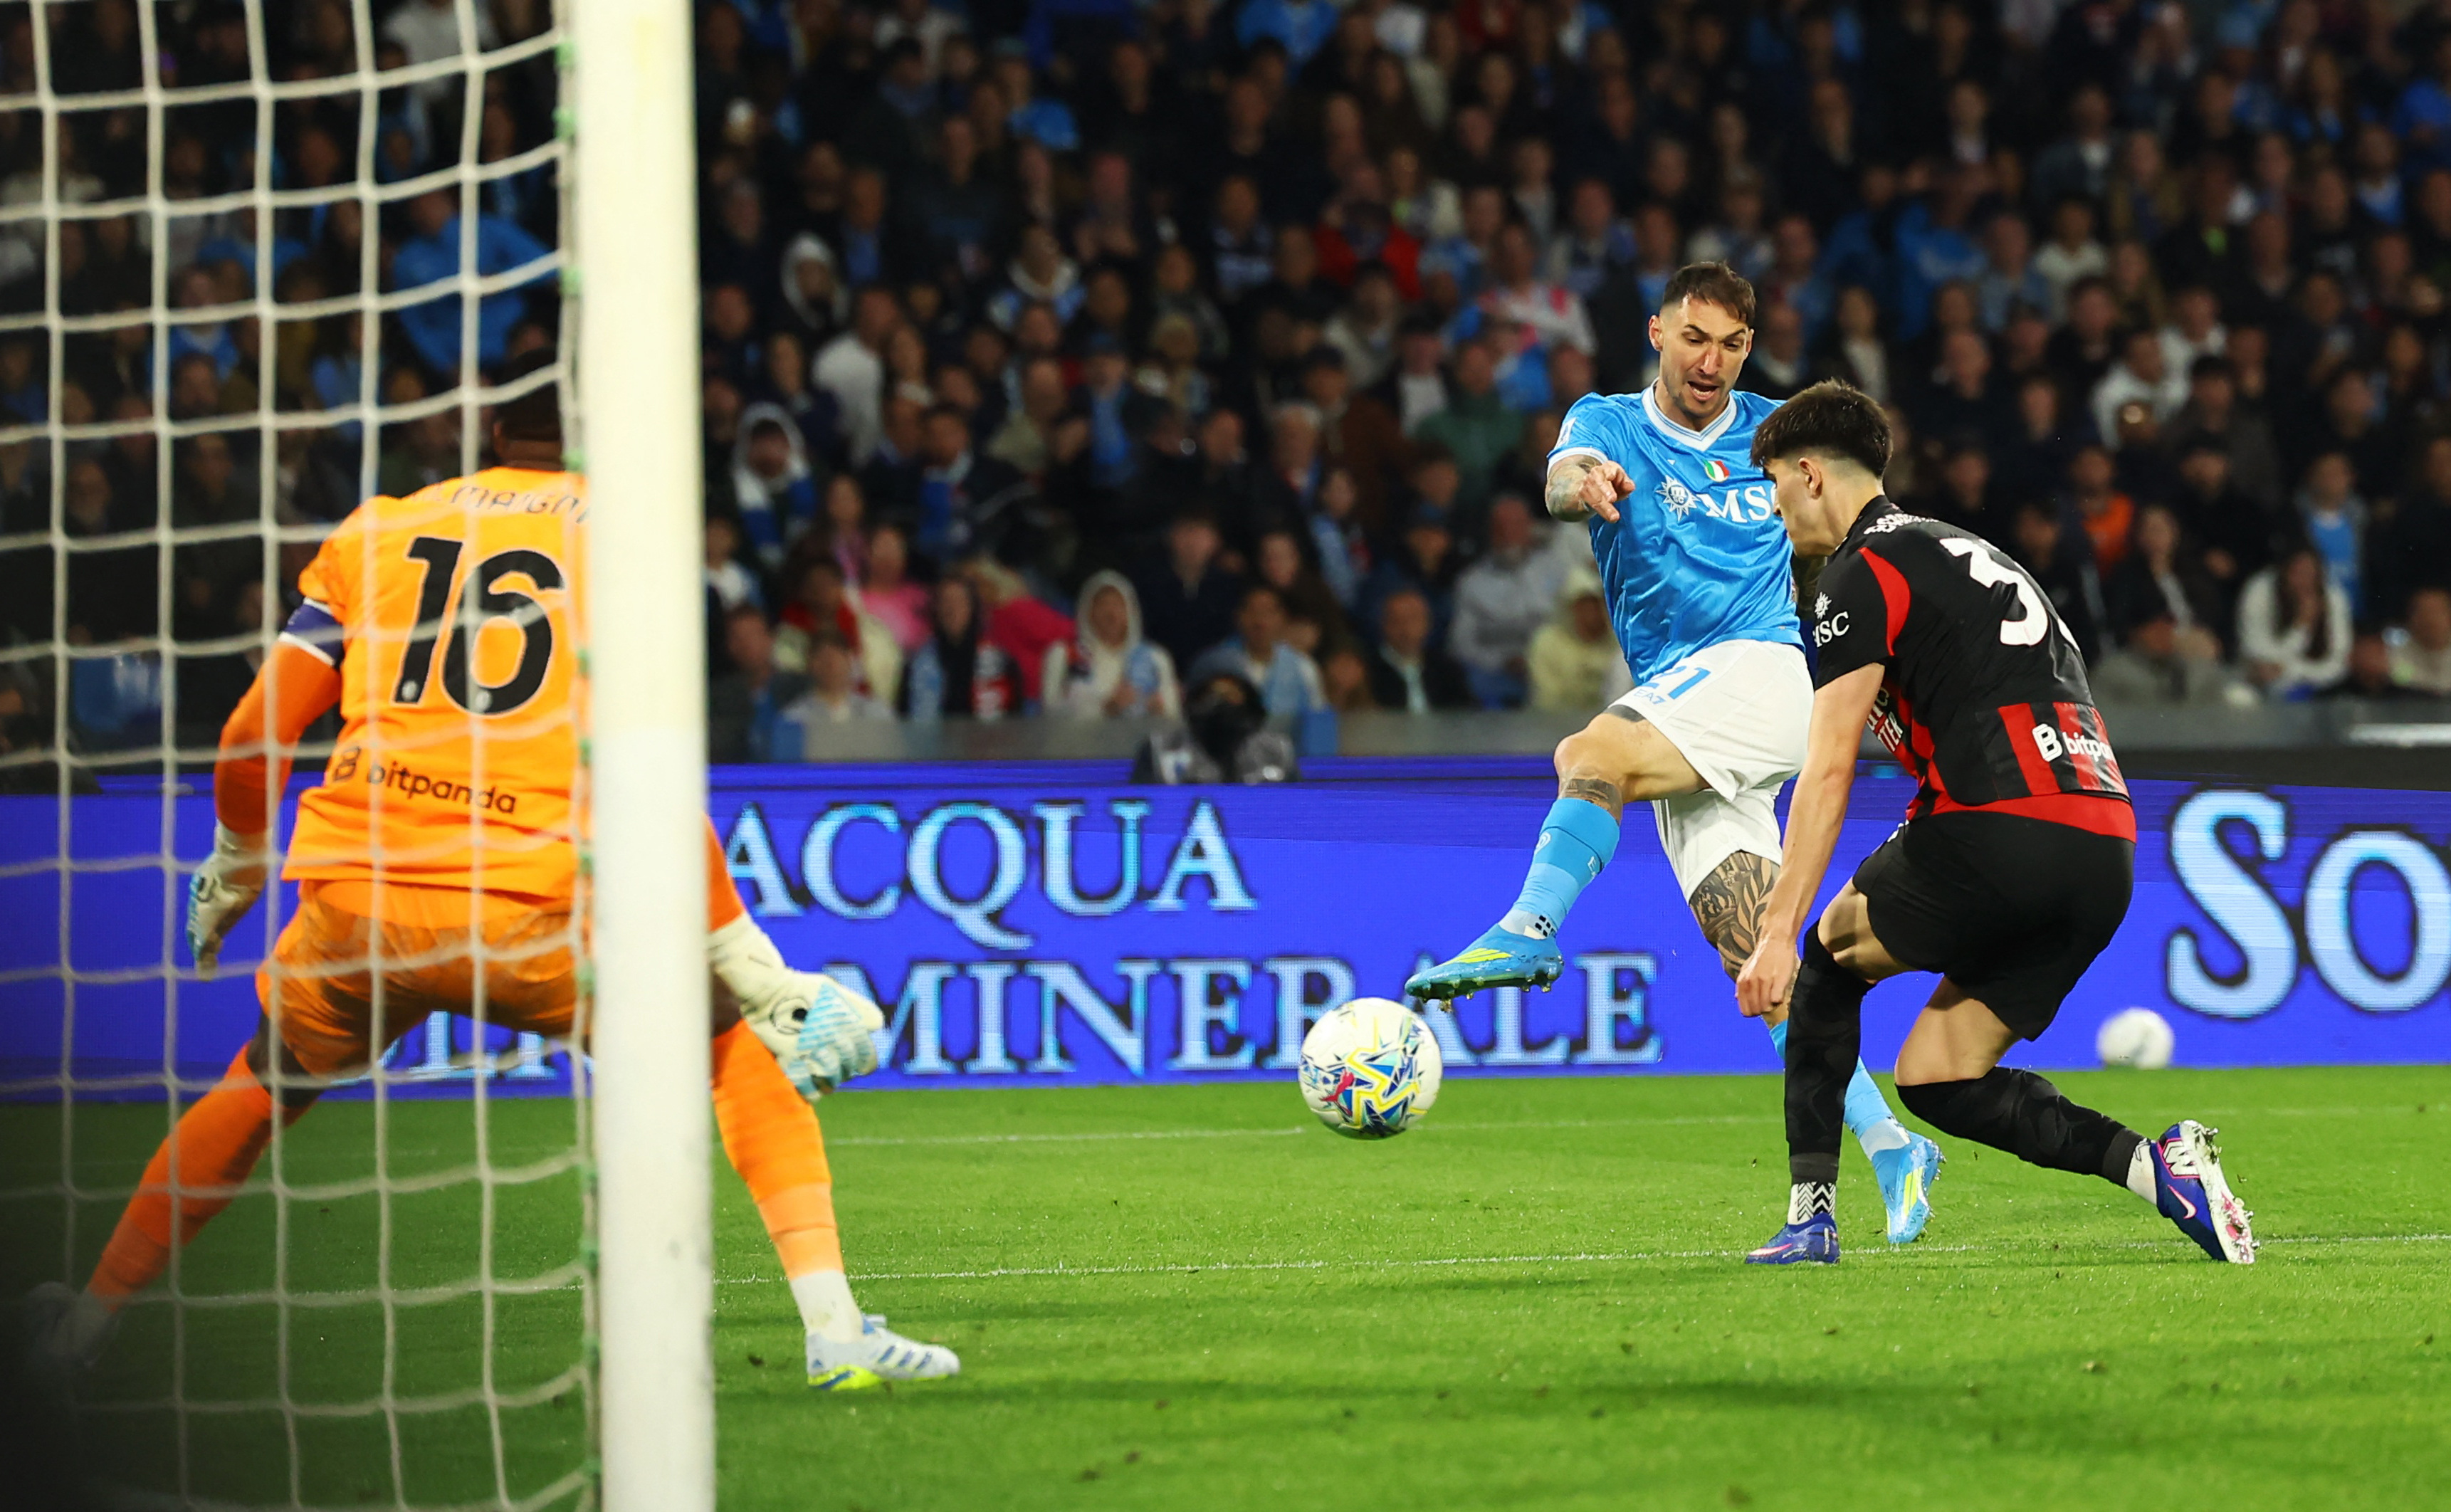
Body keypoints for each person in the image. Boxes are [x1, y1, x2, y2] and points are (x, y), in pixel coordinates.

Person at [24, 355, 958, 1391]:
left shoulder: (376, 530)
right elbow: (642, 763)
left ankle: (85, 1325)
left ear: (487, 437)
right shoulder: (628, 536)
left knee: (259, 1084)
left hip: (359, 906)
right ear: (598, 432)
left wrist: (239, 865)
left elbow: (253, 734)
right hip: (537, 917)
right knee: (732, 1049)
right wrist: (754, 967)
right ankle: (835, 1335)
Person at [1405, 263, 1941, 1246]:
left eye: (1731, 345)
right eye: (1694, 338)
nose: (1711, 362)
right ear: (1657, 331)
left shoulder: (1778, 437)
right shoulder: (1606, 423)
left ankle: (1531, 923)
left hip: (1775, 669)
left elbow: (1863, 527)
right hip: (1687, 701)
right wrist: (1584, 483)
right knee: (1756, 954)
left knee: (1588, 749)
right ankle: (1887, 1147)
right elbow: (1561, 479)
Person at [1734, 380, 2254, 1268]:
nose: (1774, 507)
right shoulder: (1967, 552)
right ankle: (2155, 1166)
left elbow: (1826, 771)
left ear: (1811, 475)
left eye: (1776, 483)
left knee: (1824, 962)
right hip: (2102, 853)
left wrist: (1776, 927)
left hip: (1997, 826)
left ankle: (1808, 1219)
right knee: (1938, 1075)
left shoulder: (1858, 575)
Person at [1043, 569, 1180, 718]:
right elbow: (1049, 714)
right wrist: (1105, 709)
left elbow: (1173, 716)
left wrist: (1159, 709)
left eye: (1119, 605)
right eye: (1103, 605)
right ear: (1088, 611)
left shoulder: (1155, 658)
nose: (1111, 613)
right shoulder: (1063, 654)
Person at [1130, 671, 1298, 784]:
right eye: (1212, 696)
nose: (1222, 705)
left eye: (1230, 696)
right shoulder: (1160, 752)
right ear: (1194, 701)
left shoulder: (1276, 752)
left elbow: (1301, 812)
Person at [2236, 545, 2352, 698]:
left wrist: (2292, 670)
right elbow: (2259, 657)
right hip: (2263, 688)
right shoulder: (2260, 591)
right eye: (2297, 573)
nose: (2304, 582)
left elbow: (2339, 661)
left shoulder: (2333, 597)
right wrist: (2300, 626)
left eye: (2310, 574)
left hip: (2320, 687)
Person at [1364, 584, 1473, 711]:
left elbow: (1467, 713)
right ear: (1384, 625)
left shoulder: (1446, 669)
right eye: (1397, 621)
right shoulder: (1368, 670)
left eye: (1414, 620)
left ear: (1427, 624)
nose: (1406, 630)